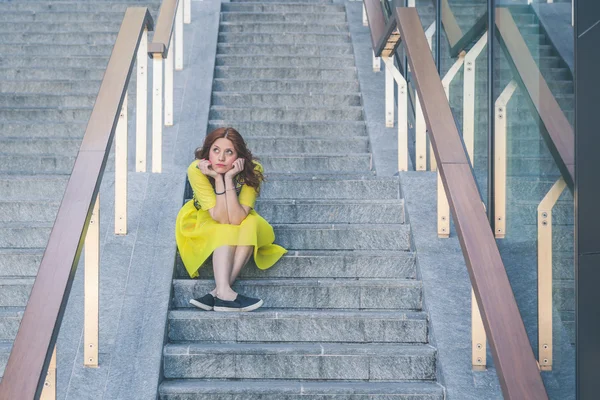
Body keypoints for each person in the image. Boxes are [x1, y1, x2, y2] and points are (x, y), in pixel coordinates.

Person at [175, 127, 287, 312]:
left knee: (249, 223)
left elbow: (236, 218)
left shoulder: (254, 170)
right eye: (216, 150)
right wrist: (216, 179)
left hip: (239, 215)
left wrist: (228, 179)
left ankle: (218, 292)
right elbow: (219, 217)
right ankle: (224, 293)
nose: (220, 158)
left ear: (239, 156)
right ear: (208, 151)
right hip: (202, 218)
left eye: (229, 152)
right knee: (224, 229)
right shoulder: (196, 169)